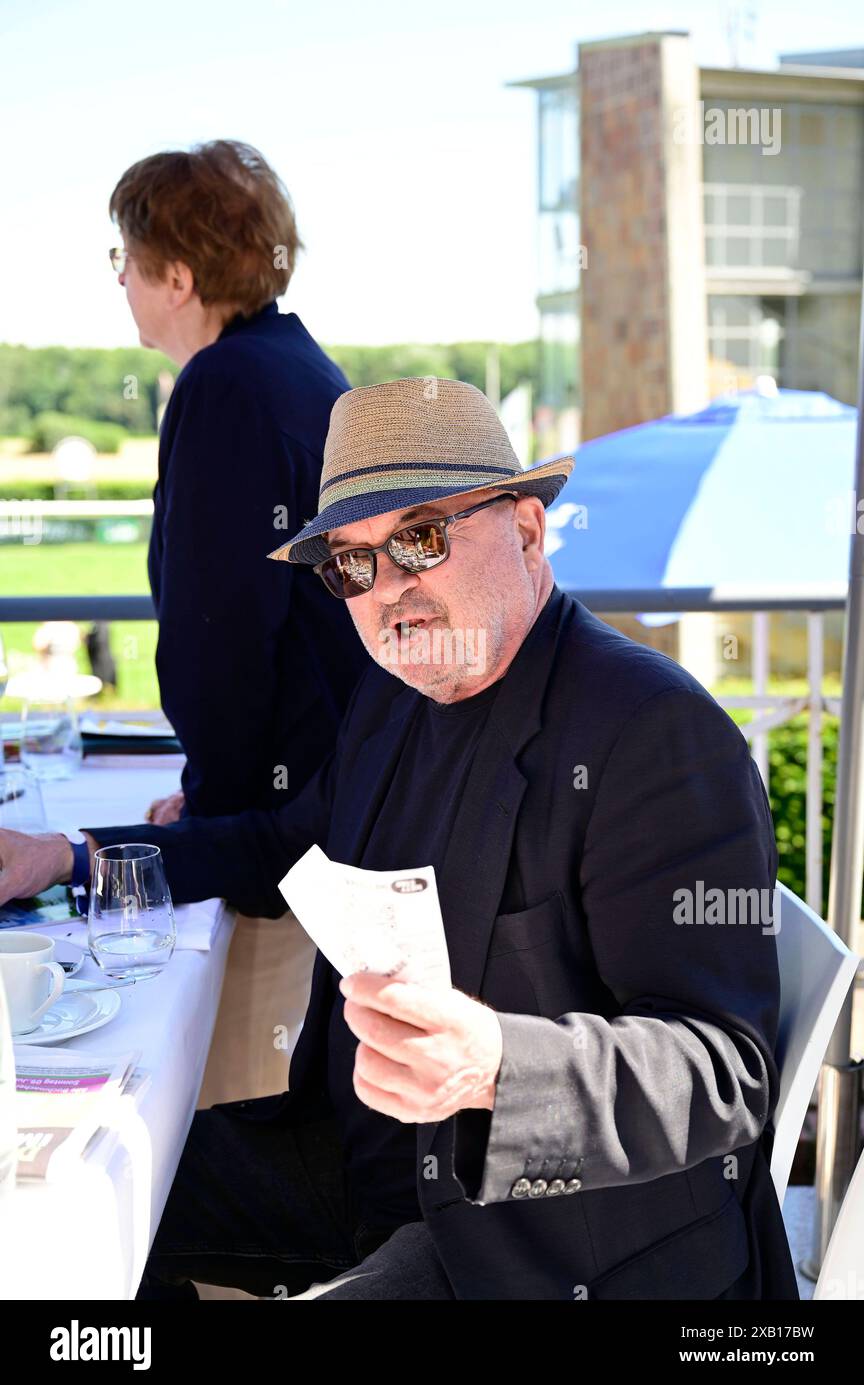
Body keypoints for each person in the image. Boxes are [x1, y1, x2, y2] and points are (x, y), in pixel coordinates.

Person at [0, 377, 800, 1301]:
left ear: (529, 532)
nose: (387, 592)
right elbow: (286, 847)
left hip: (542, 1238)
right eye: (351, 564)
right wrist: (65, 856)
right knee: (84, 1199)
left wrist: (498, 1064)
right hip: (353, 1162)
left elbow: (728, 1073)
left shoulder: (651, 730)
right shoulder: (392, 697)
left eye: (418, 539)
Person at [108, 138, 368, 824]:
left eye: (126, 259)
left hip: (283, 834)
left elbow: (220, 635)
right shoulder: (298, 365)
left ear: (178, 279)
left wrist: (210, 817)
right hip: (328, 790)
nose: (119, 280)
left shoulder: (227, 386)